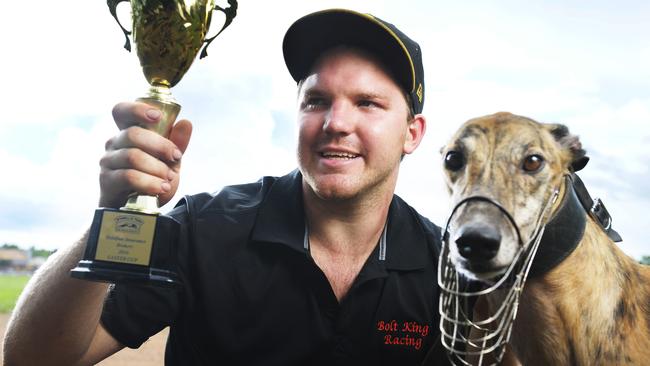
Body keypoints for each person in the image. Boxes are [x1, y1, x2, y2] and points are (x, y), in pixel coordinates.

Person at [3, 9, 451, 366]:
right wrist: (113, 212)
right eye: (316, 101)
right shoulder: (202, 230)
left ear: (412, 133)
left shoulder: (447, 267)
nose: (335, 123)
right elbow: (33, 358)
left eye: (367, 103)